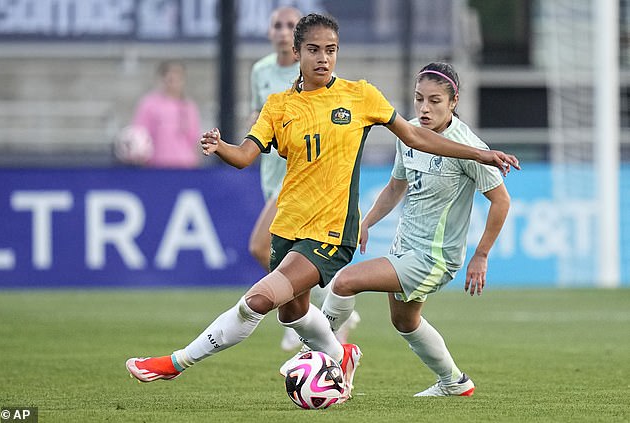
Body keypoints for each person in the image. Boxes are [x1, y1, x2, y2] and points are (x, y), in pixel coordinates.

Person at [125, 14, 519, 403]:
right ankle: (338, 355)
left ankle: (176, 362)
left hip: (330, 233)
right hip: (289, 226)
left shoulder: (360, 95)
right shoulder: (279, 106)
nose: (323, 58)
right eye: (314, 49)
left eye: (331, 50)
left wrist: (481, 155)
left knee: (258, 301)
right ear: (296, 52)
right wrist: (220, 146)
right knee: (293, 314)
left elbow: (416, 136)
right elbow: (246, 156)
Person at [319, 62, 512, 397]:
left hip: (433, 257)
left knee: (345, 282)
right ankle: (454, 382)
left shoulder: (466, 146)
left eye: (435, 100)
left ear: (454, 102)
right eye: (419, 98)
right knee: (405, 322)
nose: (424, 108)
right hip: (404, 247)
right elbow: (396, 187)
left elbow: (502, 201)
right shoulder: (408, 133)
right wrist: (367, 223)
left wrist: (481, 255)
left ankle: (322, 354)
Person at [247, 6, 359, 353]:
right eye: (276, 25)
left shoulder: (324, 79)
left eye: (289, 25)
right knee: (280, 252)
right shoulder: (261, 71)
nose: (282, 31)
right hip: (273, 171)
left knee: (258, 246)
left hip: (300, 182)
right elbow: (259, 116)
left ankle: (311, 315)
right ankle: (317, 316)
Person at [126, 60, 202, 168]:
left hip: (185, 165)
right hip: (158, 165)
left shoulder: (189, 106)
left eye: (178, 78)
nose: (174, 82)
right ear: (162, 78)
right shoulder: (149, 104)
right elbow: (139, 135)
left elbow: (194, 139)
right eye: (170, 78)